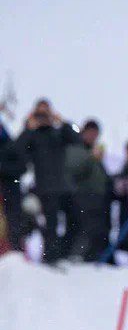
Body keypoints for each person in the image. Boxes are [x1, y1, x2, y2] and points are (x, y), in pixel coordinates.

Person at [14, 98, 82, 263]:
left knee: (76, 220)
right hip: (45, 188)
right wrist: (28, 128)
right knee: (50, 224)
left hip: (65, 186)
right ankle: (50, 256)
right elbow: (17, 151)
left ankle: (64, 252)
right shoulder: (32, 135)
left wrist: (63, 122)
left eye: (46, 113)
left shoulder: (58, 132)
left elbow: (77, 139)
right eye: (40, 114)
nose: (43, 117)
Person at [63, 119, 112, 261]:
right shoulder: (77, 148)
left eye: (95, 134)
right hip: (81, 196)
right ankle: (76, 255)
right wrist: (91, 157)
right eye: (90, 133)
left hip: (96, 198)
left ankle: (92, 256)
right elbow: (74, 169)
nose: (93, 137)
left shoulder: (92, 150)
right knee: (82, 228)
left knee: (96, 229)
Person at [0, 114, 27, 252]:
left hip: (10, 191)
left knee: (13, 221)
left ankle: (14, 250)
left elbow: (22, 167)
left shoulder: (11, 146)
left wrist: (2, 168)